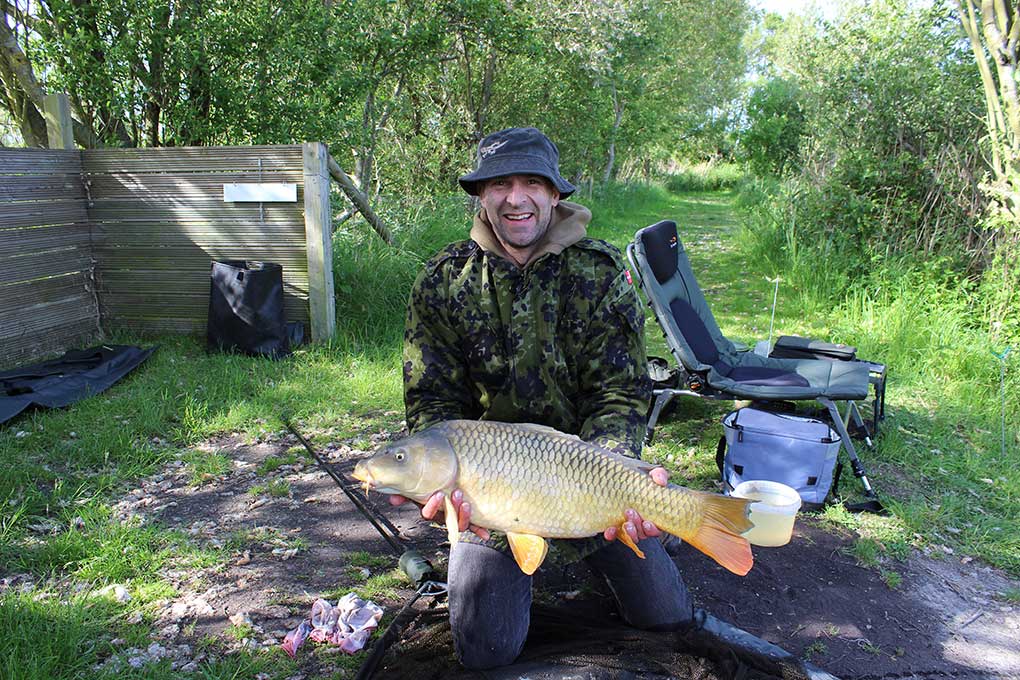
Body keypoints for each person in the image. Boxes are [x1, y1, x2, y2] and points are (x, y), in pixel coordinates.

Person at [393, 127, 693, 669]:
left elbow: (620, 392)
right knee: (485, 649)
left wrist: (617, 476)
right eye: (499, 184)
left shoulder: (601, 273)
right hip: (492, 491)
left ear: (555, 194)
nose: (516, 198)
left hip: (586, 476)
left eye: (532, 183)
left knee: (665, 617)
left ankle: (652, 533)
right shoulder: (443, 280)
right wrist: (443, 490)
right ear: (480, 195)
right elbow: (433, 401)